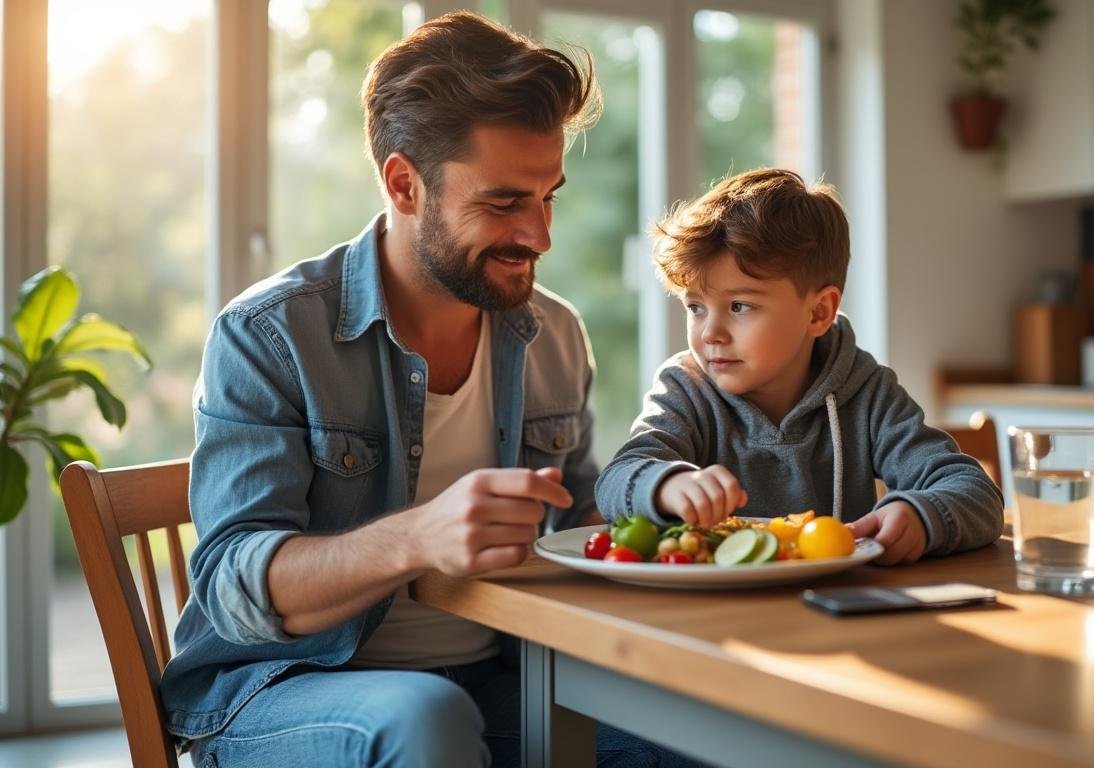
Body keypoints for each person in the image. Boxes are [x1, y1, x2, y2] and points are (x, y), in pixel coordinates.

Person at [162, 12, 687, 767]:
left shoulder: (553, 335)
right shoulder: (270, 334)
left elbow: (577, 526)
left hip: (498, 677)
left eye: (549, 198)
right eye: (505, 202)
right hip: (280, 690)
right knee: (427, 718)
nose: (539, 235)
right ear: (405, 184)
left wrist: (672, 502)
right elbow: (235, 589)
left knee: (700, 729)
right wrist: (418, 536)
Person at [595, 168, 1003, 563]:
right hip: (714, 619)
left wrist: (923, 515)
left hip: (836, 617)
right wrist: (666, 484)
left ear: (819, 312)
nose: (710, 333)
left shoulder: (869, 394)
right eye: (696, 307)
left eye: (740, 306)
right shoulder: (686, 389)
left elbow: (977, 494)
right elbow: (616, 479)